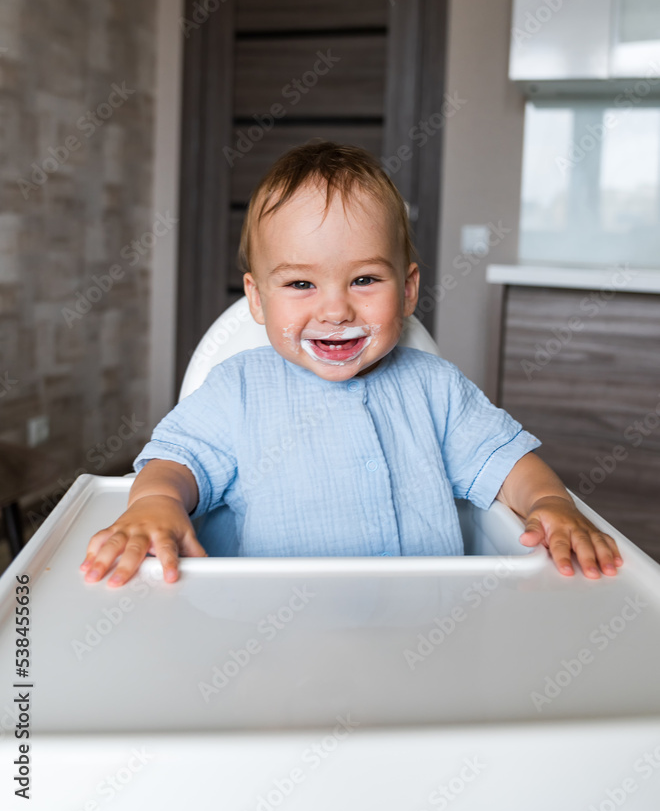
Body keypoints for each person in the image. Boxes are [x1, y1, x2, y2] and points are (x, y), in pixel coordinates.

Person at [81, 141, 623, 587]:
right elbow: (177, 463)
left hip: (426, 632)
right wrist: (153, 504)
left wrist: (551, 503)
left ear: (408, 289)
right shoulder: (238, 389)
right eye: (300, 284)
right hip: (270, 641)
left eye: (364, 279)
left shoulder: (435, 389)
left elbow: (508, 465)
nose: (336, 309)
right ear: (258, 298)